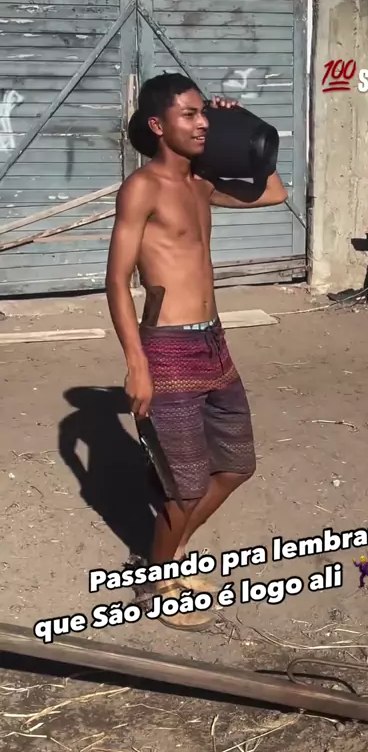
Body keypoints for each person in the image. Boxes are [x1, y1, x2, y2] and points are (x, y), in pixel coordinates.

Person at [106, 72, 287, 632]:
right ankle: (156, 584)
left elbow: (274, 191)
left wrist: (243, 126)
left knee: (236, 466)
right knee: (184, 487)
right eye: (190, 114)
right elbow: (116, 282)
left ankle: (170, 554)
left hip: (214, 343)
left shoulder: (203, 183)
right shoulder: (143, 188)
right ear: (158, 125)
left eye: (205, 112)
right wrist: (136, 364)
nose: (202, 122)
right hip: (167, 349)